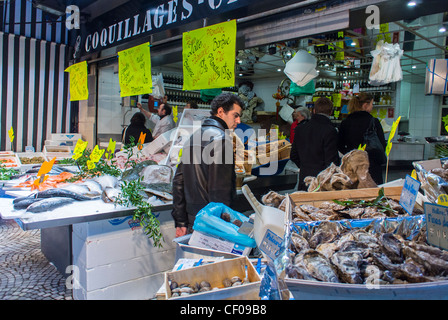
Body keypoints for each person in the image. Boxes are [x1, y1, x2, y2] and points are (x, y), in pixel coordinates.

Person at [171, 93, 244, 237]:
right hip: (211, 224)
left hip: (193, 220)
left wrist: (180, 222)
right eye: (235, 115)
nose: (239, 120)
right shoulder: (222, 140)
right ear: (221, 111)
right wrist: (223, 228)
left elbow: (178, 181)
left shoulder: (193, 138)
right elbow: (219, 192)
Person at [290, 97, 340, 191]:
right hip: (321, 182)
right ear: (330, 112)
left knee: (303, 204)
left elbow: (293, 155)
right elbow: (331, 162)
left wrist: (305, 167)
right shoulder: (330, 130)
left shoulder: (300, 129)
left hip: (304, 178)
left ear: (314, 111)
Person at [338, 93, 386, 185]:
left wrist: (350, 154)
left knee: (353, 193)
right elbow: (382, 144)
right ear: (365, 105)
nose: (372, 107)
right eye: (372, 104)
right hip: (371, 165)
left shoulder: (346, 122)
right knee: (373, 194)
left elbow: (339, 144)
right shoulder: (374, 122)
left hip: (352, 166)